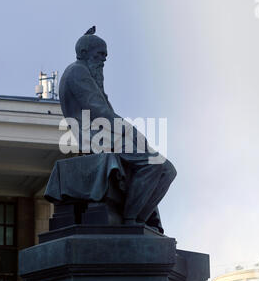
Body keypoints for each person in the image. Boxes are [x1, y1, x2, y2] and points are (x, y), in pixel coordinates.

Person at [58, 27, 177, 233]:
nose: (104, 60)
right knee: (155, 165)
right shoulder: (77, 72)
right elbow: (100, 112)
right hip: (96, 137)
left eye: (105, 55)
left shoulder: (90, 76)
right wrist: (132, 132)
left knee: (168, 170)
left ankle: (140, 220)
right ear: (84, 53)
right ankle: (130, 219)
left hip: (109, 136)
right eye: (100, 54)